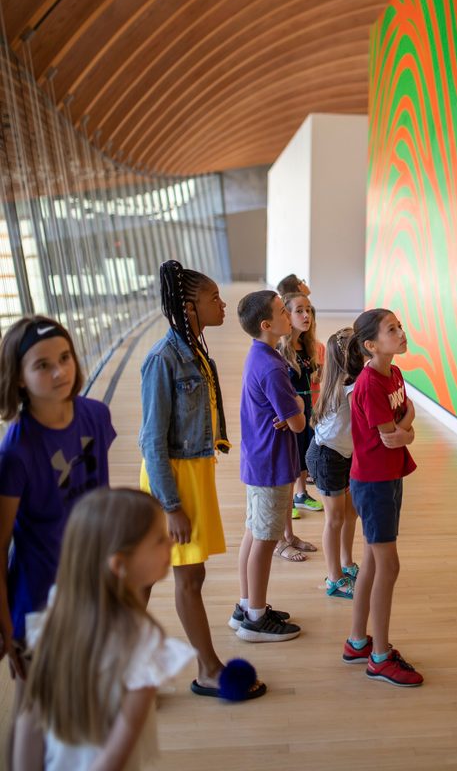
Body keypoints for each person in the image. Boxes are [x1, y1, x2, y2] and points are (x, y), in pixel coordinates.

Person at [139, 260, 264, 698]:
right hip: (173, 481)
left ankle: (126, 669)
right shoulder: (162, 360)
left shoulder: (195, 351)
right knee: (180, 578)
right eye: (213, 298)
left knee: (157, 577)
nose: (222, 303)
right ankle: (208, 669)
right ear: (189, 306)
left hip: (194, 475)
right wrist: (170, 505)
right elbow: (151, 441)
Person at [12, 487, 196, 770]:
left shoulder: (57, 614)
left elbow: (30, 719)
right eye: (159, 539)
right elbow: (114, 755)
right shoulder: (142, 641)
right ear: (120, 565)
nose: (171, 542)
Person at [0, 315, 116, 750]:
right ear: (19, 378)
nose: (59, 372)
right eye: (43, 365)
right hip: (37, 600)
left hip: (89, 587)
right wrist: (6, 622)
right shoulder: (17, 449)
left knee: (81, 694)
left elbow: (98, 503)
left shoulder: (96, 416)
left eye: (64, 358)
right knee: (34, 706)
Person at [342, 309, 424, 687]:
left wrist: (404, 424)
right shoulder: (370, 384)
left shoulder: (395, 374)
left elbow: (400, 425)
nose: (401, 333)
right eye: (392, 330)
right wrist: (408, 422)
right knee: (388, 567)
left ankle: (358, 642)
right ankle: (379, 657)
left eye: (399, 327)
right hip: (373, 483)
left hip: (388, 476)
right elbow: (394, 432)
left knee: (373, 564)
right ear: (371, 345)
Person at [231, 289, 306, 641]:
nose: (288, 315)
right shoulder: (273, 366)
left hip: (258, 460)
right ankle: (256, 620)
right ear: (267, 324)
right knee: (265, 538)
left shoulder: (258, 355)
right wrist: (298, 408)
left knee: (253, 531)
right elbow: (298, 423)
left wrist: (286, 410)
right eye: (282, 310)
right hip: (272, 464)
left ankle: (247, 605)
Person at [306, 328, 362, 599]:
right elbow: (366, 421)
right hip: (326, 457)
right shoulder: (349, 387)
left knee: (350, 514)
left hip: (343, 455)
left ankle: (347, 564)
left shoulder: (350, 381)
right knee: (335, 518)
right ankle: (334, 579)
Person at [278, 292, 323, 517]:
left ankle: (301, 494)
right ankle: (288, 503)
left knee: (305, 450)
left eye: (308, 310)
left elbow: (312, 377)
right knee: (290, 454)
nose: (306, 315)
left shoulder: (306, 346)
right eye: (299, 311)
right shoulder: (279, 349)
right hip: (289, 411)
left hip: (307, 408)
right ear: (286, 314)